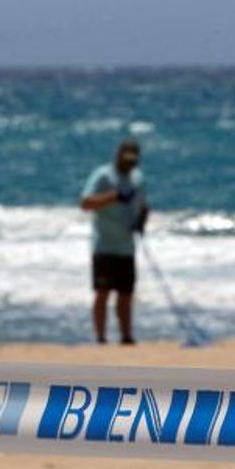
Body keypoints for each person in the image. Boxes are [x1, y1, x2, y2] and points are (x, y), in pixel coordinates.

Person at [79, 138, 149, 345]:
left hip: (126, 246)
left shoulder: (138, 178)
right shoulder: (103, 176)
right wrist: (112, 197)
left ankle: (126, 336)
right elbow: (85, 202)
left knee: (126, 294)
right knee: (102, 292)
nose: (129, 163)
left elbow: (144, 205)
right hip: (104, 245)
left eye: (133, 159)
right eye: (126, 158)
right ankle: (101, 337)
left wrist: (141, 223)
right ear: (118, 155)